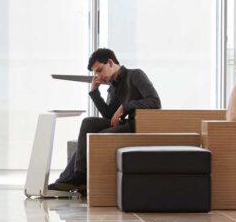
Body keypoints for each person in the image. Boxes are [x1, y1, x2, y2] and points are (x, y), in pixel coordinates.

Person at [48, 48, 161, 193]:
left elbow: (155, 102)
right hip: (123, 125)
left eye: (100, 70)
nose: (98, 76)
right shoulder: (113, 88)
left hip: (137, 125)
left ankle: (71, 179)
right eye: (95, 73)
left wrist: (124, 107)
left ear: (110, 62)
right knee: (88, 123)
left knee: (95, 135)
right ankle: (76, 176)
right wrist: (95, 92)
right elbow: (108, 116)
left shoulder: (136, 75)